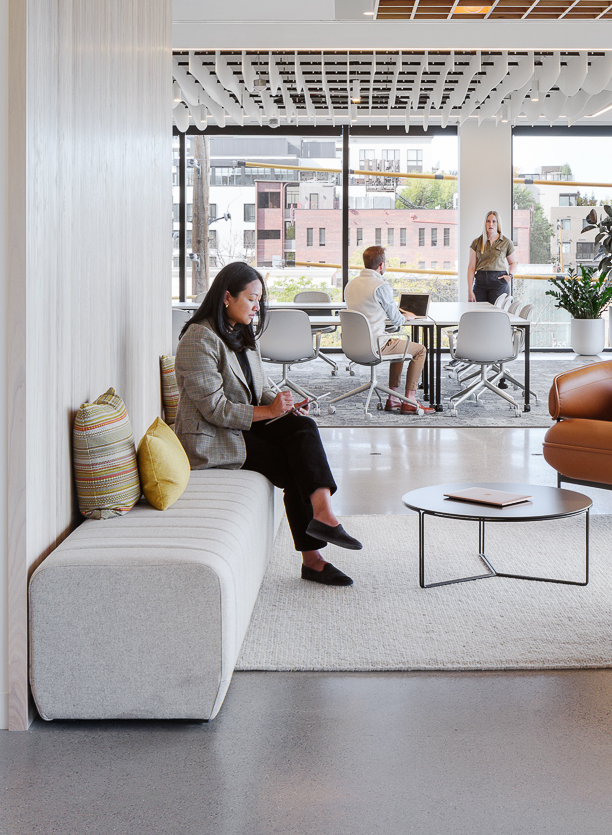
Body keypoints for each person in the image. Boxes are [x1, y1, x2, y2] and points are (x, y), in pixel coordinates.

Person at [174, 262, 362, 586]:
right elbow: (215, 410)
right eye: (251, 299)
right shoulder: (198, 339)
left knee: (303, 428)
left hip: (240, 426)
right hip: (212, 438)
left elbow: (259, 388)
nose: (257, 307)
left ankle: (324, 515)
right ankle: (313, 558)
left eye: (259, 300)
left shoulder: (241, 331)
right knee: (293, 463)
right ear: (227, 297)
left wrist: (284, 406)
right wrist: (270, 411)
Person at [342, 245, 431, 414]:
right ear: (381, 265)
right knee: (420, 350)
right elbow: (397, 321)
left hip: (353, 346)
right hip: (375, 345)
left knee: (398, 344)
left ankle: (393, 398)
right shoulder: (380, 286)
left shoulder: (350, 285)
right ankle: (410, 399)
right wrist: (406, 316)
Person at [469, 210, 516, 305]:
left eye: (494, 221)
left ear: (498, 223)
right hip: (480, 283)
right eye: (488, 221)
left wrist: (510, 275)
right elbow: (471, 267)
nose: (491, 224)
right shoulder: (476, 242)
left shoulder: (506, 242)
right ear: (485, 223)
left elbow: (513, 263)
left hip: (498, 282)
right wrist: (470, 290)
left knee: (496, 312)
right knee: (478, 311)